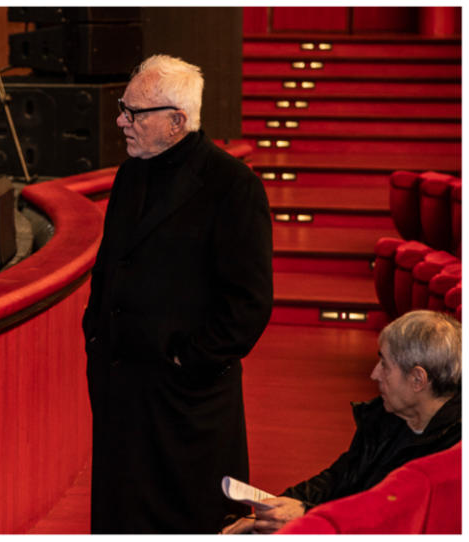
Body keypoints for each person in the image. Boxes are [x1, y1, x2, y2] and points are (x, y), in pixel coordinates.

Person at [82, 54, 274, 533]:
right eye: (123, 108)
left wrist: (187, 362)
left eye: (133, 112)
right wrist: (96, 337)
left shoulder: (234, 185)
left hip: (188, 406)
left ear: (177, 121)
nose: (121, 120)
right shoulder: (131, 173)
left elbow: (248, 303)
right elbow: (112, 268)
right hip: (122, 395)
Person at [221, 309, 461, 534]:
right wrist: (278, 506)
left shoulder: (451, 454)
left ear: (418, 379)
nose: (374, 374)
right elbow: (341, 476)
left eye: (385, 365)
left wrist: (307, 516)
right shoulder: (387, 415)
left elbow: (390, 522)